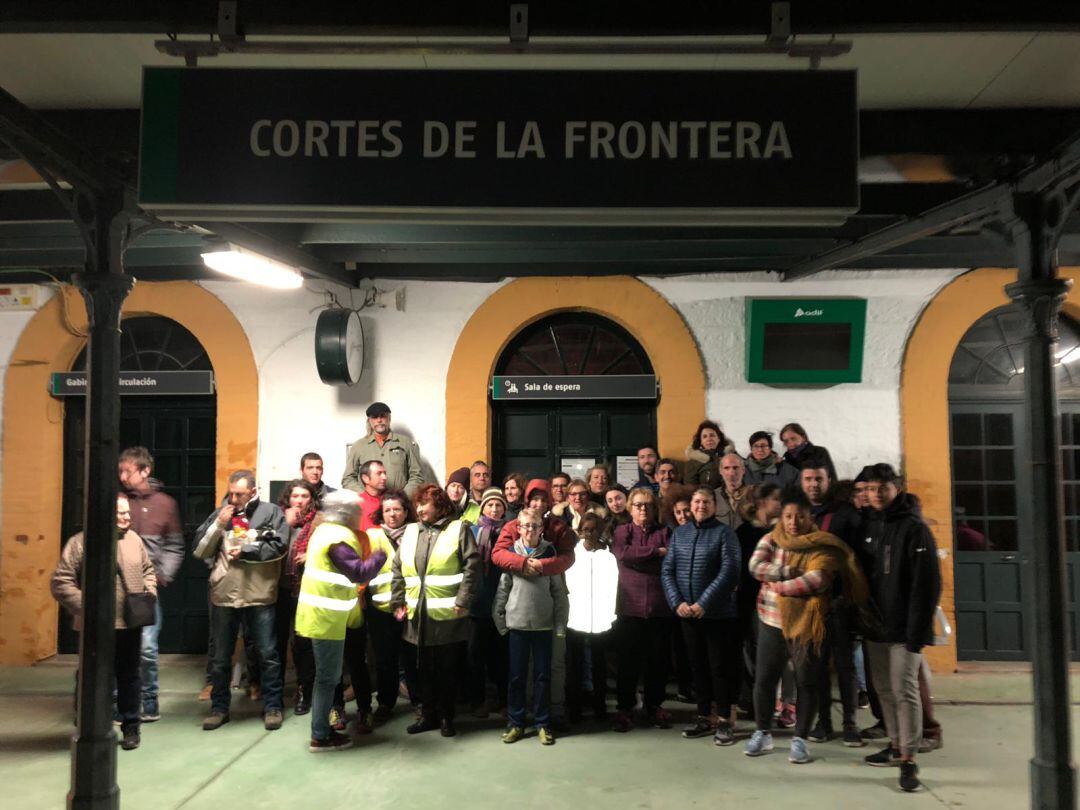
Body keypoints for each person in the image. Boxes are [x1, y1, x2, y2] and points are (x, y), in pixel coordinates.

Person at [745, 492, 868, 766]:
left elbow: (818, 579)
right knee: (764, 680)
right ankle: (762, 732)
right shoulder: (771, 538)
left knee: (806, 681)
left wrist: (778, 585)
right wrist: (789, 573)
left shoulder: (822, 545)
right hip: (770, 621)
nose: (793, 522)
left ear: (809, 517)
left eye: (800, 516)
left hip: (806, 626)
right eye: (788, 516)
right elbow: (755, 566)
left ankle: (799, 739)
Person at [51, 494, 157, 751]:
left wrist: (149, 591)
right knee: (92, 677)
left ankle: (131, 727)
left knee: (130, 676)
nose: (126, 517)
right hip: (95, 626)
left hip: (130, 623)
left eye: (128, 513)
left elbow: (147, 570)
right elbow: (61, 582)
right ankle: (90, 726)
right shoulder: (81, 543)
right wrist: (89, 608)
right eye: (120, 513)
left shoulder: (134, 540)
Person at [861, 464, 942, 793]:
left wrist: (917, 632)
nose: (876, 494)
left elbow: (927, 585)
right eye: (871, 488)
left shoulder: (914, 528)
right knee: (883, 689)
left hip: (904, 629)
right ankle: (895, 744)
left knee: (904, 690)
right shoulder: (870, 524)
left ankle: (909, 759)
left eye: (883, 488)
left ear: (897, 488)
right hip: (875, 626)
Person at [193, 469, 289, 731]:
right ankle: (219, 708)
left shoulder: (271, 513)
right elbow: (199, 550)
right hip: (225, 594)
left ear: (253, 492)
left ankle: (272, 707)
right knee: (222, 657)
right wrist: (217, 526)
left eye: (239, 494)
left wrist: (246, 550)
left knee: (268, 654)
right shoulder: (221, 513)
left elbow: (280, 546)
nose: (233, 498)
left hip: (259, 594)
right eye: (231, 492)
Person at [295, 490, 386, 753]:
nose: (361, 515)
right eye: (357, 510)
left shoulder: (324, 531)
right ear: (347, 512)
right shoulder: (337, 538)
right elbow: (358, 572)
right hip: (326, 618)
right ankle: (320, 736)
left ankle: (320, 731)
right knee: (327, 678)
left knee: (327, 676)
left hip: (326, 616)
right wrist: (379, 555)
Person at [390, 484, 480, 737]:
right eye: (417, 505)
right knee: (420, 671)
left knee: (447, 671)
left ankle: (446, 717)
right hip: (415, 618)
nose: (418, 509)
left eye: (424, 504)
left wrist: (463, 600)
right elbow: (397, 569)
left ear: (439, 505)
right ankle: (427, 715)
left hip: (448, 617)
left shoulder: (458, 529)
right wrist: (398, 602)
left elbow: (473, 567)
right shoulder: (409, 532)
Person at [491, 479, 576, 728]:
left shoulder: (558, 527)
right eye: (534, 499)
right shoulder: (512, 526)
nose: (538, 504)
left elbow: (568, 557)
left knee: (554, 666)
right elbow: (498, 554)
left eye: (543, 499)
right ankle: (525, 713)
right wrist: (522, 564)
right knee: (522, 670)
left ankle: (554, 712)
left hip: (548, 604)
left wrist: (543, 567)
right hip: (520, 611)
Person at [662, 488, 742, 745]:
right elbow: (668, 570)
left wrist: (704, 603)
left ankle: (725, 722)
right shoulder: (680, 534)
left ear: (714, 505)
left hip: (717, 615)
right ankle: (704, 716)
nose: (700, 506)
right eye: (696, 501)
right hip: (687, 614)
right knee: (698, 667)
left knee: (720, 668)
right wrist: (678, 603)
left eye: (706, 502)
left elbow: (730, 571)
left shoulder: (724, 534)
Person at [800, 461, 866, 746]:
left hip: (840, 603)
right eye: (809, 479)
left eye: (819, 478)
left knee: (844, 663)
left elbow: (858, 558)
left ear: (828, 481)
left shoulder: (846, 516)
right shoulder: (798, 515)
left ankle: (850, 723)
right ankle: (823, 722)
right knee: (816, 665)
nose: (813, 484)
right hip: (809, 604)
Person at [118, 446, 183, 723]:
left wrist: (162, 575)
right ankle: (116, 704)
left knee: (146, 646)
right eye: (120, 470)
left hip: (147, 588)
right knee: (115, 646)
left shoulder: (165, 504)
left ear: (145, 471)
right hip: (116, 585)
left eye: (128, 471)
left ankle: (148, 701)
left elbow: (174, 545)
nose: (122, 476)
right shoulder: (117, 500)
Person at [610, 487, 673, 732]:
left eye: (647, 505)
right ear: (630, 508)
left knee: (657, 662)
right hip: (629, 607)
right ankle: (625, 708)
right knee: (628, 662)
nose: (643, 509)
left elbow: (670, 559)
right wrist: (655, 552)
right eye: (638, 505)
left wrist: (641, 558)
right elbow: (622, 553)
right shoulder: (621, 531)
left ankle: (653, 706)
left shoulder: (665, 531)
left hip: (659, 607)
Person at [364, 489, 418, 722]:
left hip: (411, 608)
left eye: (397, 509)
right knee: (384, 659)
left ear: (406, 511)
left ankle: (420, 702)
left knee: (413, 659)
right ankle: (386, 703)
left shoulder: (417, 533)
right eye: (387, 510)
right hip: (381, 610)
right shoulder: (371, 535)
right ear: (381, 513)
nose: (392, 514)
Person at [734, 483, 784, 717]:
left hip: (776, 601)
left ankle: (776, 703)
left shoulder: (784, 532)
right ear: (760, 502)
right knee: (749, 651)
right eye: (775, 499)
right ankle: (753, 701)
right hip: (748, 600)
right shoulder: (744, 532)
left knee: (773, 656)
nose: (780, 504)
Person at [564, 512, 619, 723]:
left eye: (594, 529)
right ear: (579, 532)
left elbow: (613, 588)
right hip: (575, 618)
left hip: (601, 620)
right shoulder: (571, 556)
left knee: (599, 665)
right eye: (586, 530)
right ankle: (574, 708)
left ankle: (600, 706)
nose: (590, 534)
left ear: (601, 531)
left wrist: (610, 614)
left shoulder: (608, 557)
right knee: (574, 665)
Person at [275, 479, 319, 716]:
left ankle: (305, 690)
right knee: (277, 641)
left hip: (305, 588)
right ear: (288, 498)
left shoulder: (318, 521)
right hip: (278, 588)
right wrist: (284, 525)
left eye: (304, 496)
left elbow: (327, 550)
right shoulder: (278, 518)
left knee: (304, 642)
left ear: (311, 499)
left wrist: (311, 555)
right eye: (295, 496)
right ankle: (275, 693)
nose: (299, 501)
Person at [467, 487, 511, 718]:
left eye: (498, 505)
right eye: (490, 505)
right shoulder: (472, 532)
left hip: (503, 604)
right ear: (482, 507)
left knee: (502, 656)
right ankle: (478, 701)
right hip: (478, 604)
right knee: (475, 655)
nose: (494, 509)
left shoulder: (511, 532)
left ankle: (504, 700)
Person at [343, 402, 425, 496]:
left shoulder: (405, 443)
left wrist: (403, 497)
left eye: (383, 416)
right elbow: (348, 479)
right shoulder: (358, 446)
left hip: (399, 505)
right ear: (369, 420)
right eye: (375, 417)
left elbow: (417, 476)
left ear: (389, 418)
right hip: (369, 507)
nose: (379, 420)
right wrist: (365, 497)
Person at [684, 419, 735, 488]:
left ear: (718, 438)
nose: (709, 439)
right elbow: (690, 488)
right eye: (705, 436)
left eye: (712, 435)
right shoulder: (693, 462)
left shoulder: (732, 456)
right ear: (701, 442)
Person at [714, 453, 750, 530]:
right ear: (720, 471)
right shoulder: (713, 496)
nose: (731, 473)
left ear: (743, 470)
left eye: (735, 468)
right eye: (726, 468)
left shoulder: (754, 494)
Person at [357, 459, 388, 531]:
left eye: (384, 473)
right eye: (379, 473)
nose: (384, 477)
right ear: (366, 479)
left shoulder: (392, 500)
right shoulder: (358, 503)